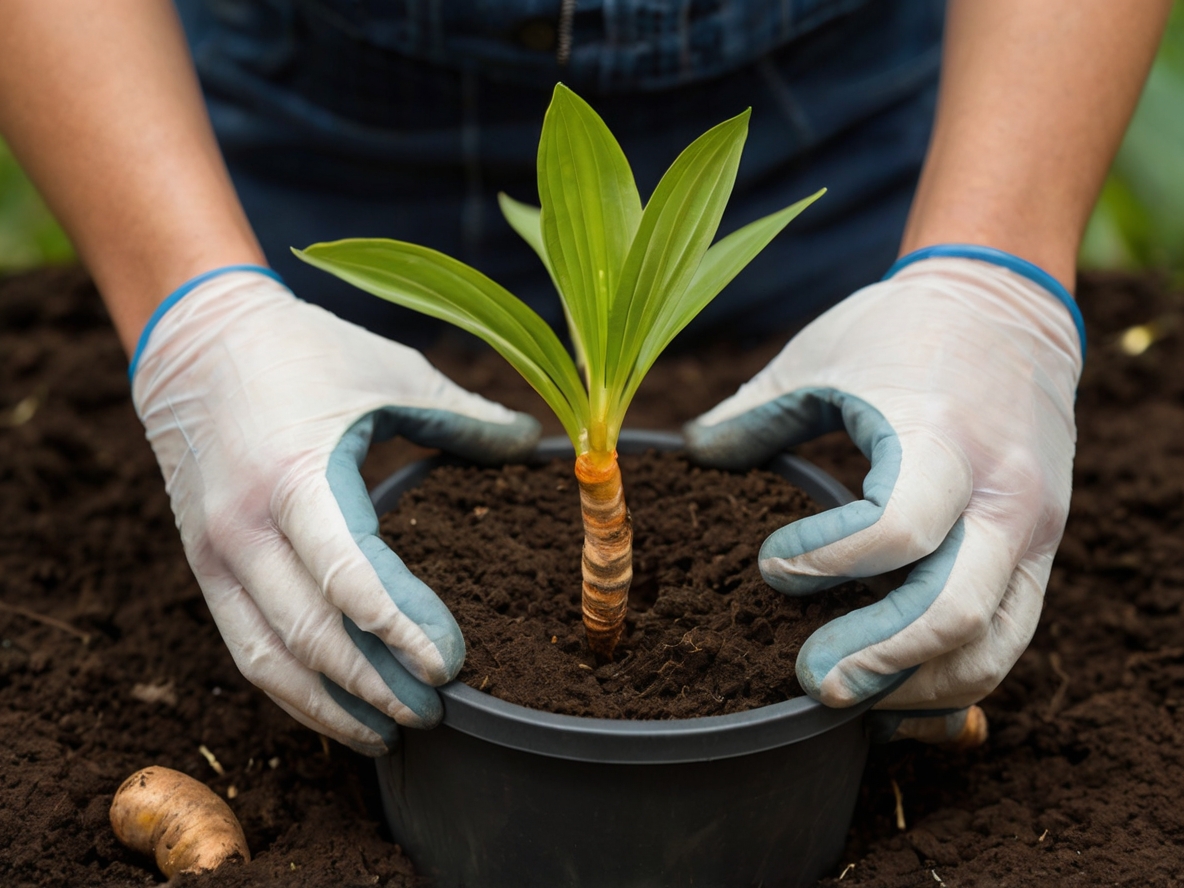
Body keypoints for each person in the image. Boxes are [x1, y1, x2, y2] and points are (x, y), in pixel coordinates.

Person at [0, 0, 1170, 755]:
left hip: (842, 122)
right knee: (300, 526)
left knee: (904, 501)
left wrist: (990, 269)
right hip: (258, 121)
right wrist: (193, 305)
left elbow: (981, 287)